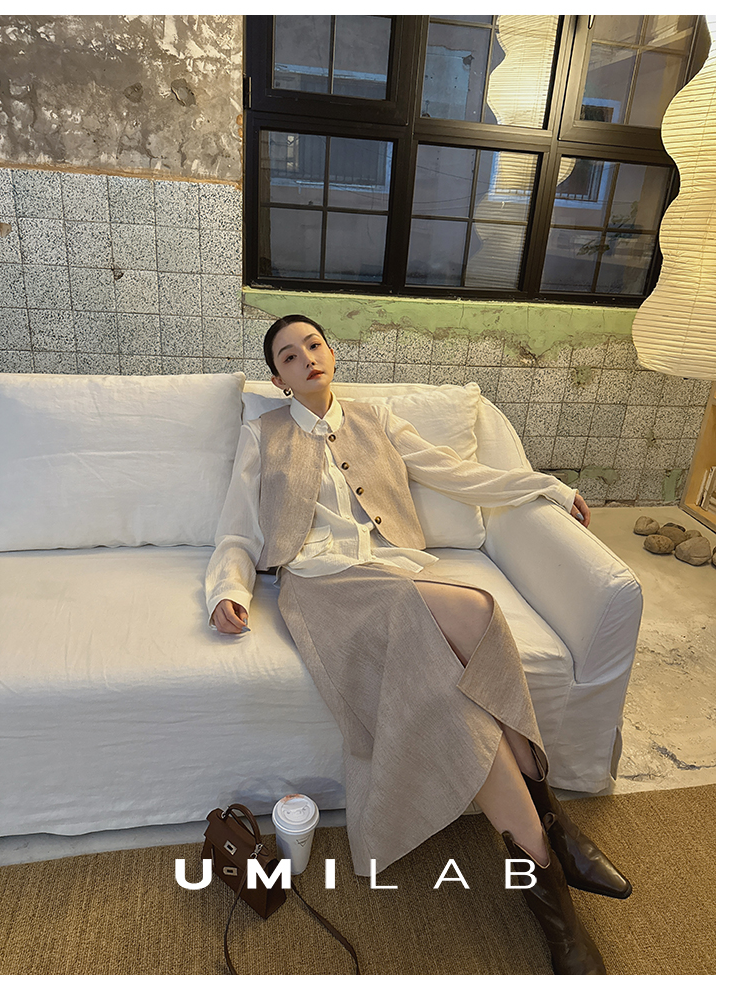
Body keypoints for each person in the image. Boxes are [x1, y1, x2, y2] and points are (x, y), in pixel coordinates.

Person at [205, 314, 631, 975]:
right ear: (279, 379)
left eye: (313, 345)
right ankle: (554, 861)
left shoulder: (375, 420)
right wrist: (227, 590)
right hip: (320, 588)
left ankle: (550, 848)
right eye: (288, 356)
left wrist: (543, 484)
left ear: (331, 352)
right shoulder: (263, 434)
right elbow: (236, 530)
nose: (306, 358)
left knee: (475, 618)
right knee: (465, 615)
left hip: (391, 573)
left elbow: (458, 473)